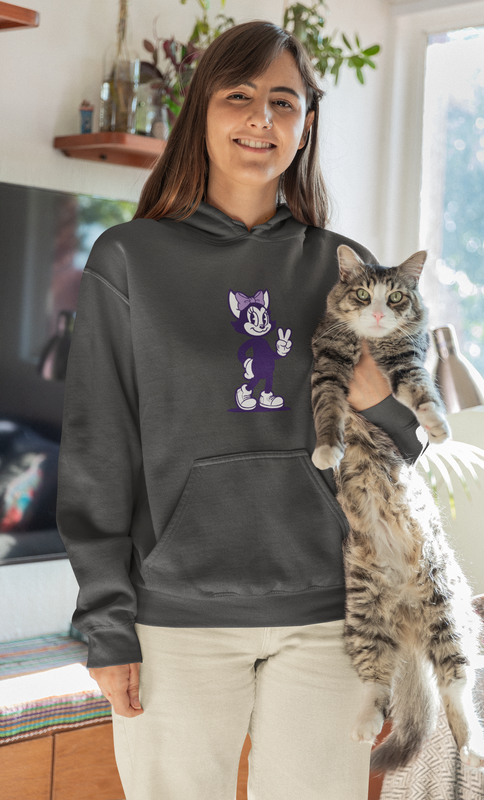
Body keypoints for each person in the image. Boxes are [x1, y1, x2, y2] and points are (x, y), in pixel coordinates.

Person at [56, 20, 427, 800]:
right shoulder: (128, 259)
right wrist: (107, 622)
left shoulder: (345, 268)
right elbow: (98, 451)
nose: (261, 120)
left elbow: (408, 447)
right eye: (240, 97)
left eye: (282, 103)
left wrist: (383, 404)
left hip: (331, 619)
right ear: (203, 113)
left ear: (305, 125)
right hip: (175, 620)